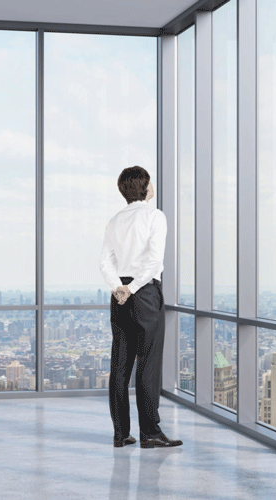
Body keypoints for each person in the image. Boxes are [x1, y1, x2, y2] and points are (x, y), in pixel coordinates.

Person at [99, 166, 183, 449]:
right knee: (148, 365)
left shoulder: (114, 221)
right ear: (145, 187)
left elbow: (105, 262)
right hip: (144, 292)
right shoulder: (155, 216)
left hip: (119, 295)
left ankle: (120, 433)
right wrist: (132, 288)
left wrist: (118, 288)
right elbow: (154, 261)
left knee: (120, 365)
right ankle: (150, 432)